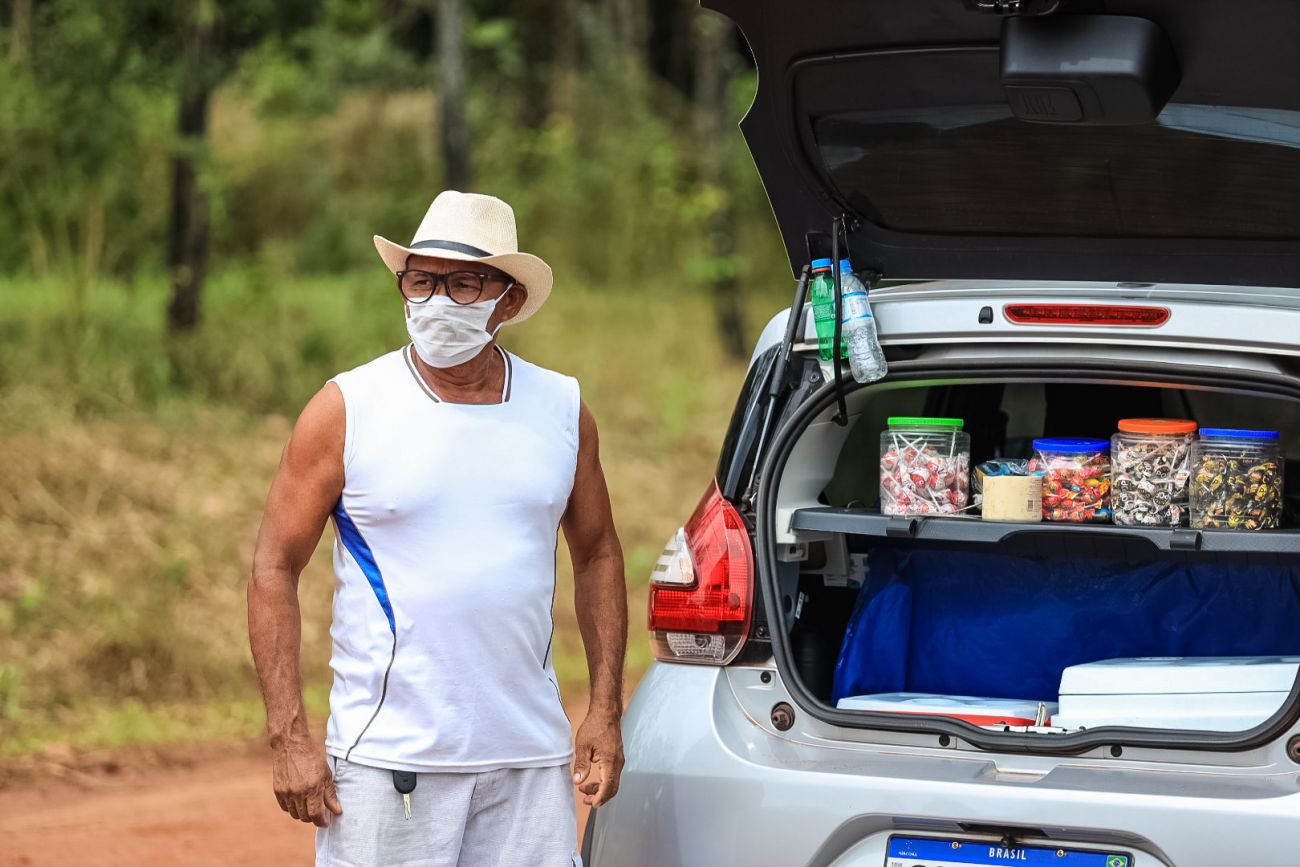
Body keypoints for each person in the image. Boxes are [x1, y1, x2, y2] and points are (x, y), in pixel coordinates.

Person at [247, 190, 627, 866]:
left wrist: (605, 708)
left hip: (528, 761)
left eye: (463, 284)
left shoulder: (561, 408)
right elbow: (274, 566)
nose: (437, 302)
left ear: (509, 299)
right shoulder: (347, 409)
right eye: (420, 281)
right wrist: (289, 736)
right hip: (389, 759)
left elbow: (597, 554)